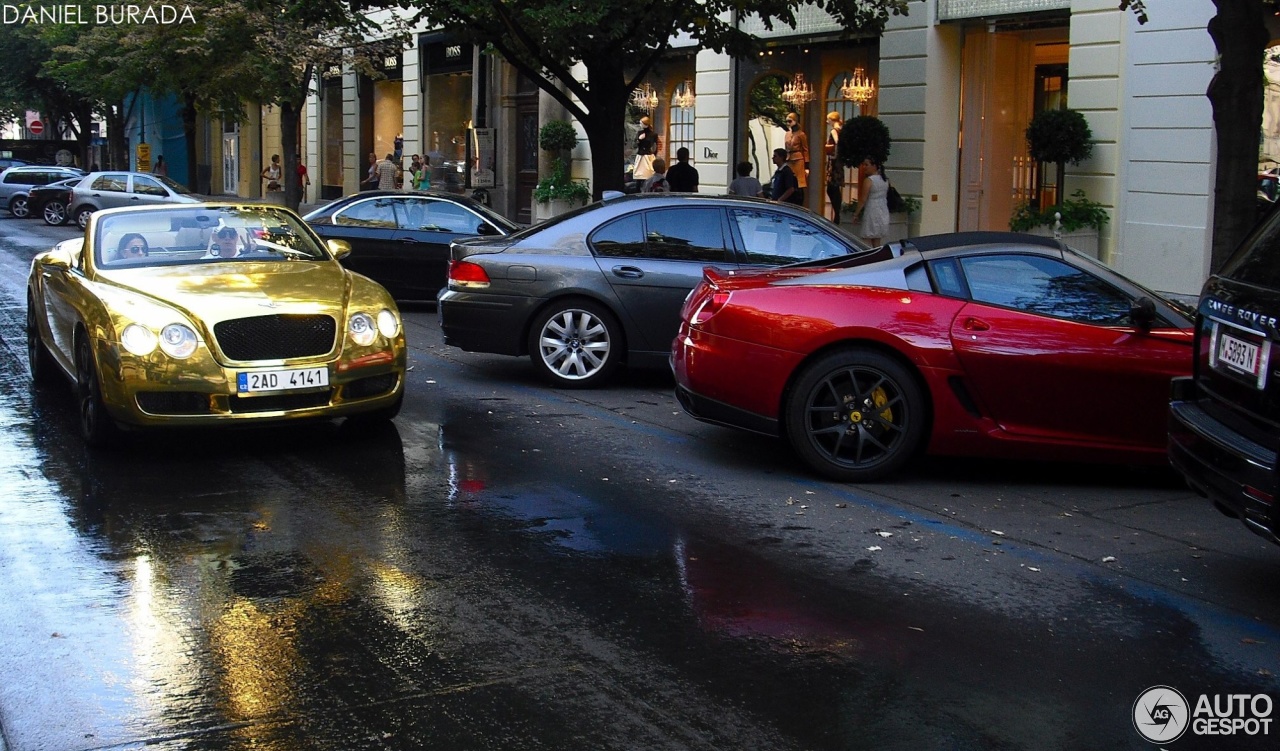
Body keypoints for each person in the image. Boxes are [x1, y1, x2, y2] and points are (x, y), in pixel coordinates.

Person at [852, 157, 891, 246]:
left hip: (872, 209)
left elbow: (863, 199)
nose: (864, 167)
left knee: (867, 237)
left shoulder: (869, 180)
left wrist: (856, 214)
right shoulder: (885, 180)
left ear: (874, 166)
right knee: (877, 238)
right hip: (883, 208)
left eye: (866, 165)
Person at [784, 112, 809, 205]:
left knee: (799, 183)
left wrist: (807, 166)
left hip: (798, 159)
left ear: (795, 121)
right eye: (786, 121)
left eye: (790, 121)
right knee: (789, 181)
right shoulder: (787, 134)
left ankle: (799, 202)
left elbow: (805, 150)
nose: (788, 123)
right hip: (788, 158)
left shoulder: (801, 134)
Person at [824, 111, 844, 224]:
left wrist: (834, 155)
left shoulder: (834, 131)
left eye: (828, 119)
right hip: (838, 162)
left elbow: (837, 143)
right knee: (833, 187)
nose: (827, 122)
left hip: (834, 161)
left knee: (831, 187)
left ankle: (837, 214)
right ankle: (837, 213)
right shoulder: (841, 129)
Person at [633, 116, 657, 181]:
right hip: (640, 156)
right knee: (639, 176)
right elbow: (634, 145)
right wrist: (639, 139)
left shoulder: (653, 134)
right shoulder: (639, 133)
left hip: (648, 156)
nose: (640, 125)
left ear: (645, 124)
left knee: (649, 176)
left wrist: (654, 154)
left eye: (641, 123)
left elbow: (655, 146)